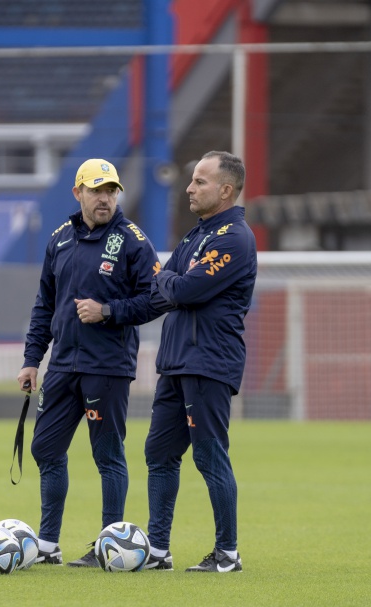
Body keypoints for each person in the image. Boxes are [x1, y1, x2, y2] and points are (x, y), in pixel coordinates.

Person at [17, 158, 160, 567]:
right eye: (97, 190)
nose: (105, 198)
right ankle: (48, 545)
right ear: (77, 192)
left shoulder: (133, 240)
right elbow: (45, 304)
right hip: (63, 365)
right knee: (45, 449)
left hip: (107, 366)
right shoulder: (59, 239)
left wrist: (107, 311)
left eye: (111, 190)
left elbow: (157, 298)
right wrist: (32, 360)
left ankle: (109, 547)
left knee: (107, 456)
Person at [143, 151, 257, 573]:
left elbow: (183, 290)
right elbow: (160, 293)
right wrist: (110, 312)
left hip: (208, 362)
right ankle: (158, 551)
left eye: (200, 181)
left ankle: (228, 553)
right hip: (176, 362)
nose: (189, 188)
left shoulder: (235, 238)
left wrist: (165, 278)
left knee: (209, 456)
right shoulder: (196, 236)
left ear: (225, 190)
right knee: (158, 454)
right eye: (192, 180)